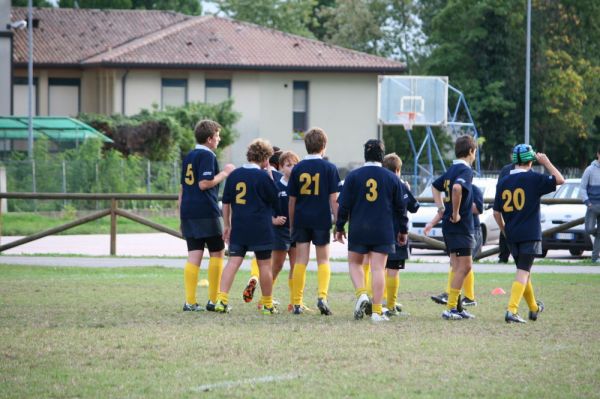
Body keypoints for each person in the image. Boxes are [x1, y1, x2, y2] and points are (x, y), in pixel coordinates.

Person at [335, 140, 408, 322]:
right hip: (383, 228)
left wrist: (339, 226)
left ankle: (362, 294)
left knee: (354, 263)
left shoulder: (353, 176)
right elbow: (401, 208)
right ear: (382, 156)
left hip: (359, 226)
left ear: (365, 155)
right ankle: (376, 311)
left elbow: (343, 205)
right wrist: (403, 230)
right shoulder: (392, 178)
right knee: (378, 268)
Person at [493, 144, 564, 323]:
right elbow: (560, 179)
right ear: (531, 161)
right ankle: (512, 310)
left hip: (512, 234)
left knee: (524, 272)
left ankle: (533, 308)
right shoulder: (533, 179)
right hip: (530, 234)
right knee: (523, 272)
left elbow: (496, 213)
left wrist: (504, 230)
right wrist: (546, 162)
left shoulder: (503, 182)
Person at [215, 139, 281, 315]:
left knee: (233, 263)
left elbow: (226, 203)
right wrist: (270, 177)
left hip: (240, 226)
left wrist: (227, 225)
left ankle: (221, 300)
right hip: (261, 227)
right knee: (264, 265)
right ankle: (267, 304)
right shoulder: (262, 176)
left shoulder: (234, 175)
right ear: (266, 159)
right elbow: (275, 199)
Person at [179, 119, 234, 312]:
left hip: (188, 211)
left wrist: (181, 214)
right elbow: (204, 183)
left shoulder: (188, 156)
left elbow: (182, 189)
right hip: (205, 211)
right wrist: (225, 173)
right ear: (210, 139)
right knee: (217, 252)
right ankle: (212, 300)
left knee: (194, 254)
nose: (219, 139)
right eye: (217, 136)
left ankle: (190, 301)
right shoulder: (207, 156)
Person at [288, 127, 341, 316]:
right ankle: (322, 296)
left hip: (302, 218)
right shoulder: (329, 168)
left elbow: (292, 201)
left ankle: (296, 302)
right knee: (323, 260)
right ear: (323, 146)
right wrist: (338, 223)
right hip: (321, 219)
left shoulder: (298, 168)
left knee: (300, 261)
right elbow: (333, 200)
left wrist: (292, 223)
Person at [432, 135, 478, 320]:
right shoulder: (465, 170)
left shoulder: (451, 170)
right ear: (471, 151)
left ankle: (457, 307)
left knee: (456, 266)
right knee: (465, 266)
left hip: (449, 227)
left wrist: (441, 208)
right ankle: (451, 308)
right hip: (461, 226)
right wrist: (456, 212)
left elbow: (435, 187)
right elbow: (458, 189)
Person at [269, 150, 312, 312]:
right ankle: (265, 298)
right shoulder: (276, 186)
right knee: (277, 266)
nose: (292, 168)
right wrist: (273, 220)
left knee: (296, 266)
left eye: (295, 165)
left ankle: (295, 302)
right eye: (288, 165)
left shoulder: (301, 186)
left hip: (296, 231)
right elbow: (267, 208)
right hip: (280, 232)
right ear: (280, 167)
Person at [426, 185, 481, 308]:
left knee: (465, 264)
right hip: (457, 230)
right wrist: (432, 223)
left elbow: (479, 208)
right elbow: (443, 208)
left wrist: (461, 204)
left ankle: (467, 297)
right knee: (456, 264)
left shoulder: (474, 189)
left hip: (471, 229)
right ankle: (453, 297)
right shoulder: (450, 190)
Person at [242, 147, 284, 307]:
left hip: (258, 222)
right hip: (277, 224)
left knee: (259, 257)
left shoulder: (251, 176)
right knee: (271, 264)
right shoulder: (276, 177)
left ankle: (254, 277)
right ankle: (266, 298)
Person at [381, 152, 419, 317]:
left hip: (380, 231)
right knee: (393, 269)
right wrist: (408, 189)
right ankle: (391, 305)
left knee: (378, 268)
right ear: (398, 170)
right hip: (397, 232)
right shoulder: (400, 184)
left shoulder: (380, 183)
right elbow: (413, 206)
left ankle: (378, 301)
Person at [581, 148, 600, 263]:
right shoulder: (589, 169)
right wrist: (588, 203)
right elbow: (582, 188)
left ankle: (594, 258)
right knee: (589, 229)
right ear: (598, 154)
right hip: (592, 206)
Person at [497, 160, 515, 263]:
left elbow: (499, 187)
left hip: (506, 205)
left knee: (505, 228)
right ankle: (505, 256)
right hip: (513, 204)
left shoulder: (505, 169)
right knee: (506, 228)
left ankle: (503, 256)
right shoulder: (527, 169)